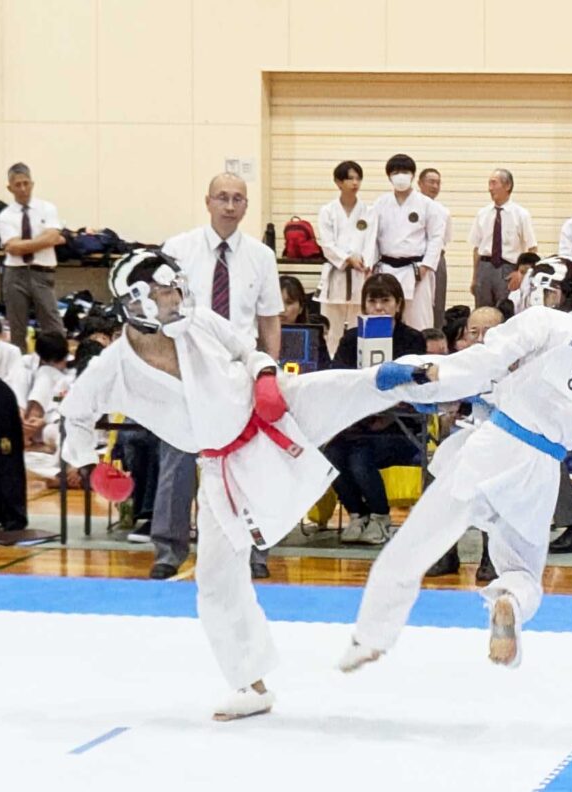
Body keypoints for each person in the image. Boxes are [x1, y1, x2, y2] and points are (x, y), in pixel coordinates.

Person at [60, 249, 418, 720]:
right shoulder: (114, 366)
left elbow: (248, 350)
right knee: (214, 581)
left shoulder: (199, 322)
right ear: (140, 302)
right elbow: (75, 415)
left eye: (176, 286)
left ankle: (439, 380)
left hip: (271, 412)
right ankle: (251, 685)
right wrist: (90, 469)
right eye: (167, 290)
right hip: (223, 470)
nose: (178, 296)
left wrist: (266, 375)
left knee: (349, 386)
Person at [338, 256, 572, 673]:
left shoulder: (542, 320)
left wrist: (427, 375)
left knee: (416, 541)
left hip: (496, 447)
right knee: (523, 570)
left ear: (550, 293)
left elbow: (482, 363)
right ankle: (510, 604)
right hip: (543, 469)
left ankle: (370, 635)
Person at [150, 172, 284, 579]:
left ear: (246, 206)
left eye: (238, 199)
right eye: (222, 197)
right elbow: (158, 312)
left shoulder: (261, 257)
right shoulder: (178, 249)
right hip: (186, 367)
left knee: (246, 464)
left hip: (238, 371)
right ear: (207, 202)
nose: (229, 205)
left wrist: (268, 375)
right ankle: (168, 551)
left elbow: (270, 322)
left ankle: (255, 550)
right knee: (177, 458)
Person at [326, 273, 426, 545]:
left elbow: (415, 387)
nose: (379, 307)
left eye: (386, 300)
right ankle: (358, 514)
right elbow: (338, 379)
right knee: (331, 455)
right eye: (373, 301)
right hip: (356, 425)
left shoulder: (413, 340)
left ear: (398, 304)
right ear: (364, 305)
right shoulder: (350, 339)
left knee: (360, 457)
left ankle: (382, 518)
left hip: (401, 429)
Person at [425, 305, 505, 578]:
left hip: (508, 440)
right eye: (474, 332)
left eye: (489, 331)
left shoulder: (517, 362)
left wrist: (477, 396)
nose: (481, 337)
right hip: (473, 434)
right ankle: (446, 553)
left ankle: (492, 556)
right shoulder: (463, 363)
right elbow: (442, 395)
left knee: (488, 483)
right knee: (438, 472)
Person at [0, 162, 65, 353]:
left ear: (32, 184)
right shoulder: (4, 216)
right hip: (15, 274)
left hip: (42, 272)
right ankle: (19, 368)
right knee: (17, 328)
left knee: (52, 324)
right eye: (18, 185)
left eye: (26, 183)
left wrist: (24, 244)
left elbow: (48, 236)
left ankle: (57, 362)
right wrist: (48, 240)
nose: (23, 188)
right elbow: (14, 249)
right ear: (10, 188)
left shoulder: (47, 208)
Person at [371, 154, 446, 331]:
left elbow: (436, 237)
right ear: (389, 176)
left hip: (416, 269)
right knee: (385, 319)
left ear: (412, 175)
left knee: (419, 321)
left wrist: (426, 266)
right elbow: (371, 238)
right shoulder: (380, 204)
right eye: (396, 172)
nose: (400, 176)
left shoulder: (427, 205)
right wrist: (372, 266)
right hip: (387, 268)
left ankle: (420, 358)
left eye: (405, 171)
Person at [316, 161, 376, 354]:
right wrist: (347, 259)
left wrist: (365, 262)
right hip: (336, 272)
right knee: (332, 327)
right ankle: (331, 363)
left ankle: (358, 363)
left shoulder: (369, 211)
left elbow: (371, 241)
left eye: (358, 178)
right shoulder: (328, 211)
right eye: (350, 178)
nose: (355, 182)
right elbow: (326, 244)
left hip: (361, 273)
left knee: (359, 325)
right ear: (338, 182)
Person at [468, 168, 537, 309]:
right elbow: (476, 248)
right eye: (489, 184)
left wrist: (521, 273)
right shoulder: (483, 213)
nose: (490, 188)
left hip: (508, 269)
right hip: (484, 268)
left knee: (505, 312)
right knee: (482, 312)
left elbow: (532, 248)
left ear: (507, 186)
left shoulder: (521, 214)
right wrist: (475, 277)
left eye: (494, 183)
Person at [418, 168, 453, 328]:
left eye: (438, 183)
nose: (435, 186)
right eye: (431, 182)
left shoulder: (443, 211)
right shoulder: (411, 207)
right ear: (419, 183)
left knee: (437, 303)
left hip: (437, 259)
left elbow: (444, 239)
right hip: (415, 260)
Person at [279, 275, 330, 370]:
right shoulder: (257, 335)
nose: (282, 309)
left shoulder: (314, 335)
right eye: (278, 302)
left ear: (301, 308)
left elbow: (325, 372)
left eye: (289, 302)